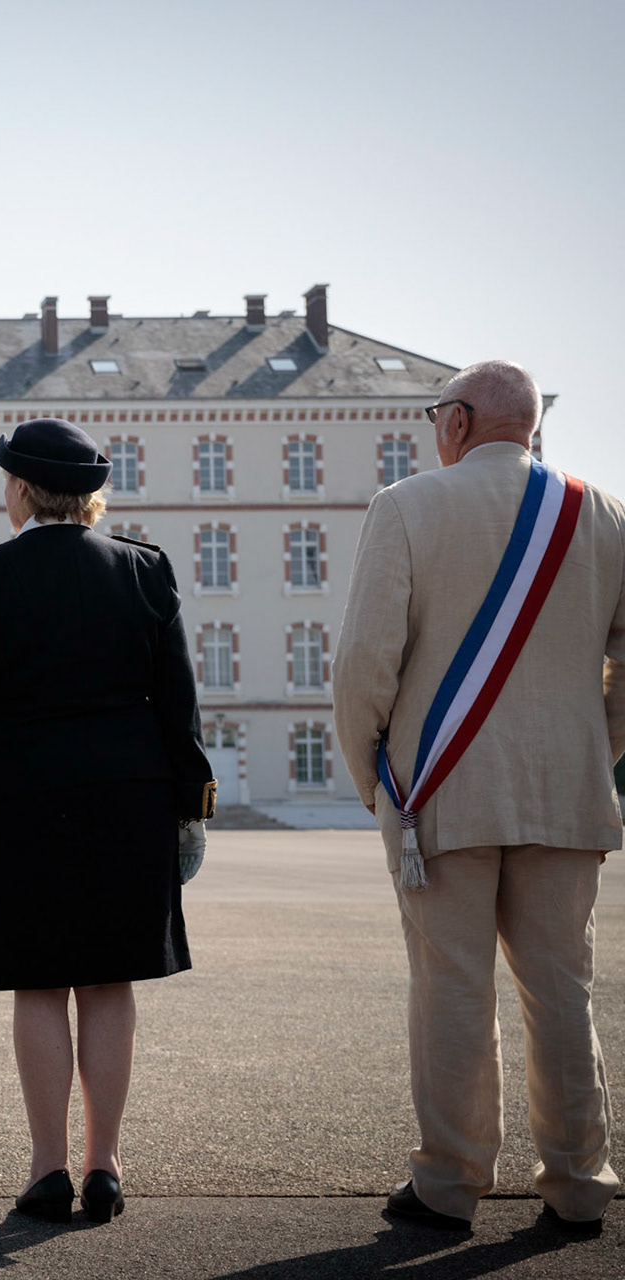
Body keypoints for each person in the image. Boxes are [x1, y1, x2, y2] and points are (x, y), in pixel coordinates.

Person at [335, 360, 624, 1236]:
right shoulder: (603, 514)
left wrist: (374, 778)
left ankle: (449, 1185)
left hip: (440, 795)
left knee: (453, 989)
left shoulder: (407, 505)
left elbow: (361, 666)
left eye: (435, 413)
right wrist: (595, 750)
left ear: (457, 421)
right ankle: (580, 1183)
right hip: (567, 794)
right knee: (562, 990)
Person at [0, 417, 214, 1226]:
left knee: (40, 983)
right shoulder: (143, 569)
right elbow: (178, 703)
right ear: (91, 497)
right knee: (110, 981)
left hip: (20, 802)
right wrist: (191, 805)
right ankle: (105, 1164)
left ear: (19, 489)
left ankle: (49, 1168)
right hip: (129, 799)